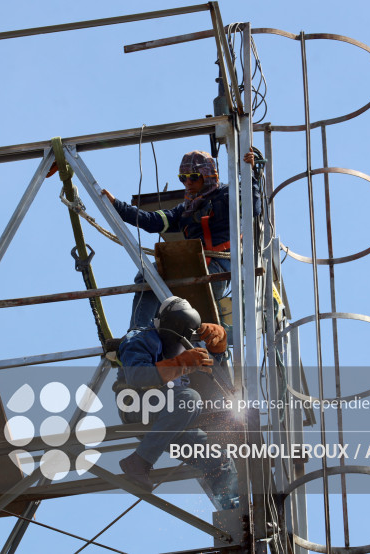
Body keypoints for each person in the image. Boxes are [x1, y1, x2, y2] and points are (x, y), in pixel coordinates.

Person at [102, 149, 262, 330]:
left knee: (154, 277)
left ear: (207, 175)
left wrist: (250, 175)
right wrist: (117, 206)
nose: (187, 183)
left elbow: (253, 209)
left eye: (193, 177)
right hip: (193, 269)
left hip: (214, 270)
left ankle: (142, 332)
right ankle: (140, 333)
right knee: (148, 274)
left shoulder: (225, 195)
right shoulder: (185, 209)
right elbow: (152, 222)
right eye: (183, 178)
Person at [114, 296, 238, 509]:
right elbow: (137, 376)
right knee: (189, 398)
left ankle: (233, 509)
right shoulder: (140, 337)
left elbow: (211, 369)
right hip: (139, 405)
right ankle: (139, 461)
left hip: (171, 416)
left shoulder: (186, 344)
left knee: (217, 458)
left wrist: (220, 344)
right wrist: (181, 363)